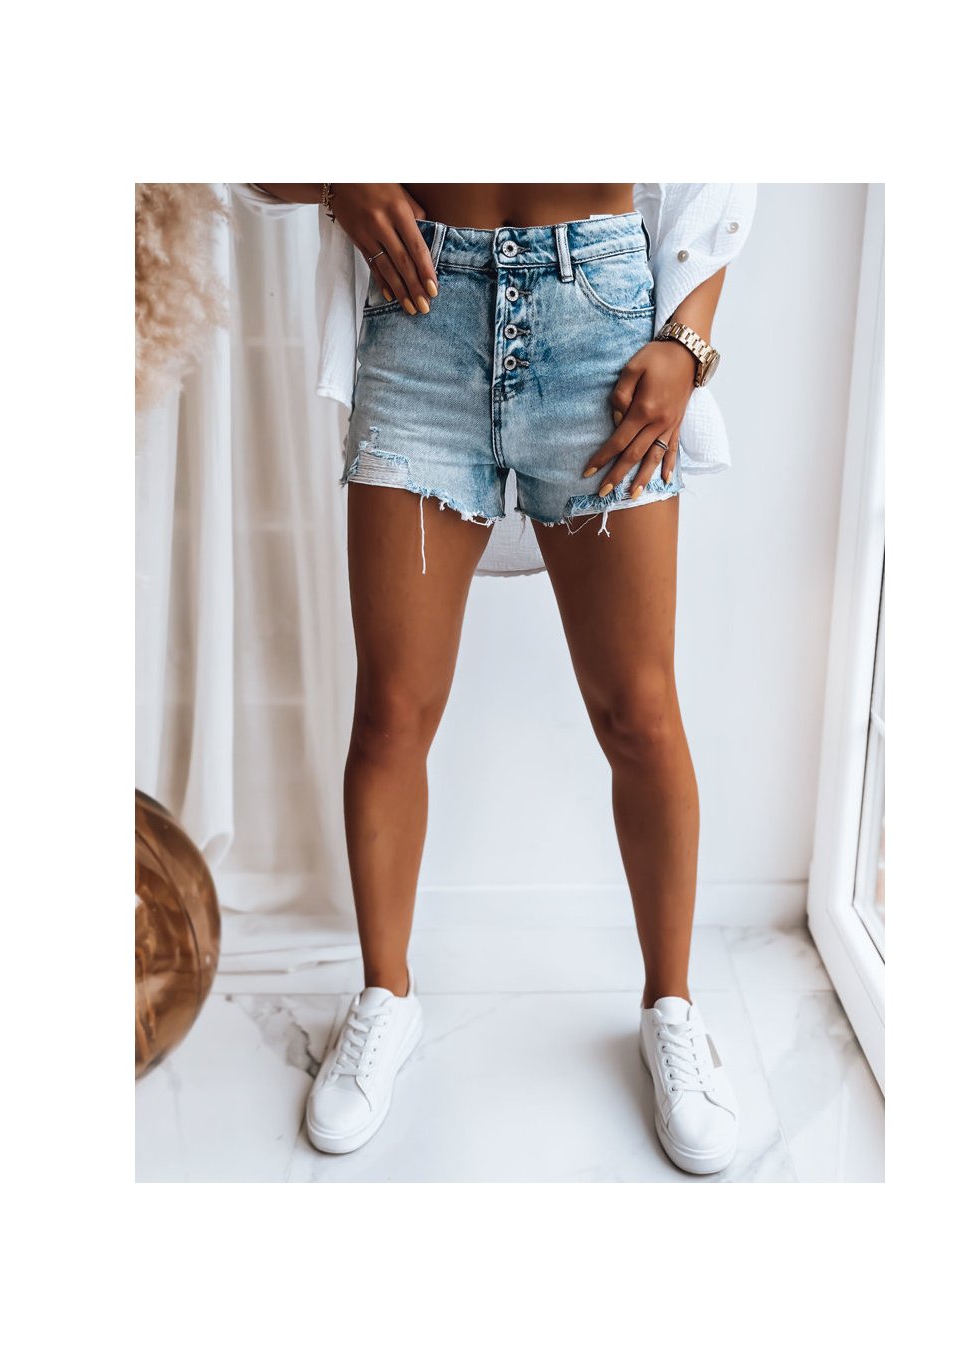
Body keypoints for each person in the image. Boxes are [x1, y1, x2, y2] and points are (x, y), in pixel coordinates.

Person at [231, 182, 756, 1176]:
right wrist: (338, 179)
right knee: (391, 711)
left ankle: (672, 1009)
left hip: (598, 326)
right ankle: (386, 995)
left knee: (639, 712)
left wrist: (688, 343)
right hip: (418, 314)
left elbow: (721, 158)